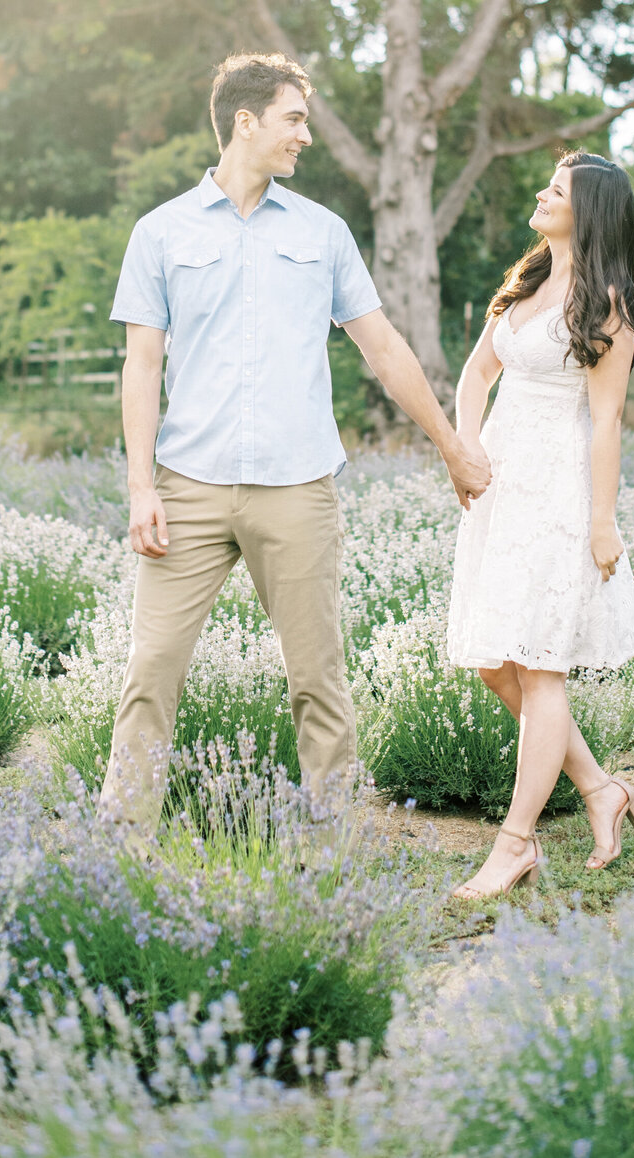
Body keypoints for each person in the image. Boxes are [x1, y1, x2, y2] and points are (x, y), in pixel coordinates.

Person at [99, 50, 492, 829]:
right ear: (245, 123)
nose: (304, 136)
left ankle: (332, 851)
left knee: (318, 678)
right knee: (150, 670)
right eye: (294, 119)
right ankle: (118, 848)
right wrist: (141, 488)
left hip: (299, 489)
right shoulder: (161, 232)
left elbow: (383, 349)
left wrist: (449, 441)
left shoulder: (324, 233)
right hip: (188, 489)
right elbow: (143, 365)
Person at [447, 150, 634, 898]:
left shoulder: (608, 304)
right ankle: (601, 787)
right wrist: (465, 447)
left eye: (557, 189)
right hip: (499, 486)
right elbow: (476, 374)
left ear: (588, 210)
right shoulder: (528, 280)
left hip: (559, 495)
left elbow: (607, 424)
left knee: (538, 666)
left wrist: (603, 521)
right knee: (493, 662)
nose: (542, 193)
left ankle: (516, 843)